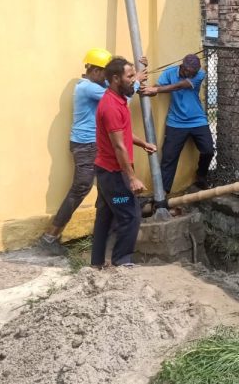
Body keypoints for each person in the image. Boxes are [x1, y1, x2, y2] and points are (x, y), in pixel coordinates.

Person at [38, 49, 146, 255]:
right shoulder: (87, 88)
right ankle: (50, 237)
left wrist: (137, 72)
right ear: (95, 71)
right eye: (104, 73)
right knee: (81, 188)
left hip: (94, 145)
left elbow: (120, 85)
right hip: (86, 146)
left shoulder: (95, 84)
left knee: (108, 193)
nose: (106, 78)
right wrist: (138, 81)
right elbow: (122, 98)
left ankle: (106, 238)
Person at [90, 57, 157, 268]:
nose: (134, 80)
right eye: (130, 77)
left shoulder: (118, 100)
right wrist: (132, 178)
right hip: (115, 176)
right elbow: (119, 146)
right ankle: (122, 261)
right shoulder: (111, 106)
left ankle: (97, 263)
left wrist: (142, 143)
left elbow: (124, 133)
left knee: (106, 214)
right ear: (116, 78)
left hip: (106, 173)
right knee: (130, 214)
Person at [140, 53, 215, 193]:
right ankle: (162, 194)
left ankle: (201, 175)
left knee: (208, 150)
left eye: (195, 72)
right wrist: (146, 86)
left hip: (198, 120)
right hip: (175, 122)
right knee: (169, 159)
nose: (194, 74)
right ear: (183, 68)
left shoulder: (200, 74)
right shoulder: (169, 73)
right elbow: (155, 90)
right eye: (191, 72)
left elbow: (180, 85)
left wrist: (156, 89)